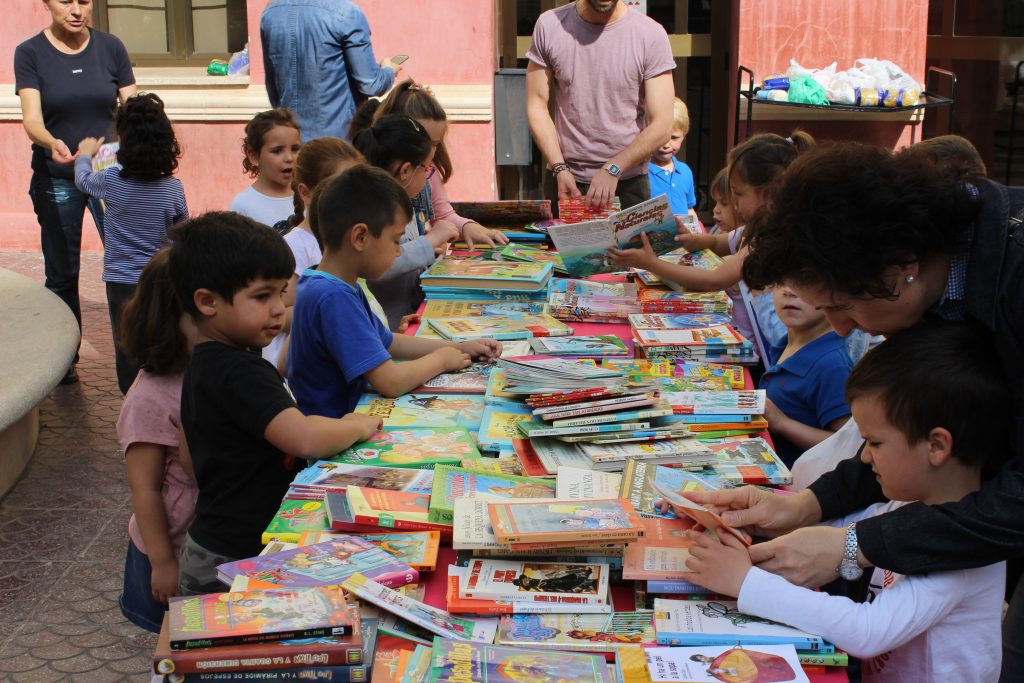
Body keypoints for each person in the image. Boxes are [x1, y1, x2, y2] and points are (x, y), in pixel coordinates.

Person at [681, 143, 1024, 682]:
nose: (842, 328)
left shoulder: (1015, 279)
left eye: (842, 305)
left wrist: (852, 547)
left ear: (900, 269)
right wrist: (807, 506)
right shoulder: (935, 284)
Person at [684, 322, 1010, 683]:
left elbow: (867, 630)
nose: (866, 458)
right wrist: (761, 517)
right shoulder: (910, 506)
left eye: (875, 442)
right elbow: (839, 535)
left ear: (936, 446)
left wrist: (745, 582)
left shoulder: (961, 553)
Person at [168, 212, 383, 595]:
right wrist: (358, 424)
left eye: (281, 293)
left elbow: (188, 456)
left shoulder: (204, 361)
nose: (278, 309)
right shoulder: (239, 371)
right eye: (261, 296)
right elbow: (304, 438)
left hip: (213, 543)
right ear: (207, 301)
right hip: (235, 557)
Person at [286, 165, 501, 419]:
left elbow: (387, 342)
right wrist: (442, 360)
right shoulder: (333, 296)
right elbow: (391, 382)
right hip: (335, 438)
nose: (399, 252)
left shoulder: (332, 283)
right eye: (396, 240)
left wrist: (459, 346)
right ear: (360, 237)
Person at [14, 0, 136, 384]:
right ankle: (65, 359)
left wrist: (144, 148)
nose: (76, 10)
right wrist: (50, 141)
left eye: (84, 1)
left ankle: (136, 352)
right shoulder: (30, 53)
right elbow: (31, 118)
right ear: (47, 3)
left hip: (110, 174)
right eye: (65, 1)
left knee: (126, 268)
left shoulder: (111, 47)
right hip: (58, 175)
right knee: (62, 272)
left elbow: (134, 107)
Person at [608, 132, 815, 349]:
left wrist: (651, 264)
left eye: (738, 193)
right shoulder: (753, 230)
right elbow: (717, 244)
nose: (734, 202)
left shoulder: (766, 241)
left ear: (769, 194)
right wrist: (688, 239)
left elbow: (714, 280)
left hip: (761, 347)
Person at [74, 92, 188, 395]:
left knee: (126, 343)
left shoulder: (110, 181)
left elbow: (83, 181)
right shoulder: (173, 189)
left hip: (120, 281)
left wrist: (85, 154)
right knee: (163, 338)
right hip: (161, 280)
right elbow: (182, 234)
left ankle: (133, 400)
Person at [525, 0, 675, 211]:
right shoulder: (550, 25)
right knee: (562, 246)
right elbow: (536, 106)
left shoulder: (650, 34)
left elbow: (663, 125)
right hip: (565, 180)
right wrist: (559, 167)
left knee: (630, 246)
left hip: (627, 183)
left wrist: (615, 167)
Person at [116, 249, 197, 633]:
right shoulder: (150, 398)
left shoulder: (210, 367)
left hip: (202, 540)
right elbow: (145, 489)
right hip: (169, 547)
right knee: (175, 640)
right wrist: (163, 562)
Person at [261, 137, 389, 370]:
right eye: (343, 189)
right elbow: (277, 314)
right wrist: (332, 314)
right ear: (306, 192)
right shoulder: (294, 247)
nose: (354, 200)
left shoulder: (352, 239)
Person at [367, 80, 510, 250]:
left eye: (435, 144)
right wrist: (429, 243)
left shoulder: (429, 170)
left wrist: (467, 226)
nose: (430, 152)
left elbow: (442, 214)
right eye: (425, 142)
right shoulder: (374, 189)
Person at [351, 114, 459, 328]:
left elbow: (403, 254)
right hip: (388, 330)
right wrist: (429, 242)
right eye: (427, 169)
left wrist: (428, 257)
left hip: (405, 322)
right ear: (406, 171)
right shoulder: (372, 210)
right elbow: (376, 267)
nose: (429, 177)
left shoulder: (399, 204)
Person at [260, 0, 401, 142]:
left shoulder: (271, 12)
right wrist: (389, 69)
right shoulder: (346, 13)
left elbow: (273, 89)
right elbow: (371, 84)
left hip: (290, 140)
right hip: (337, 144)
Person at [759, 285, 852, 466]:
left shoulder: (832, 365)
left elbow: (847, 445)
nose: (789, 292)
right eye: (780, 282)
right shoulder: (788, 344)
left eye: (801, 283)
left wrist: (783, 424)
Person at [230, 109, 302, 233]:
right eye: (277, 151)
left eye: (295, 149)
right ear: (254, 156)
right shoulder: (243, 206)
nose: (289, 158)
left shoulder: (307, 195)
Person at [648, 97, 698, 218]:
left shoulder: (685, 171)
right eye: (659, 137)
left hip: (682, 236)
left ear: (684, 135)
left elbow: (689, 208)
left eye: (674, 137)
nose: (666, 145)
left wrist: (696, 233)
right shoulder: (640, 173)